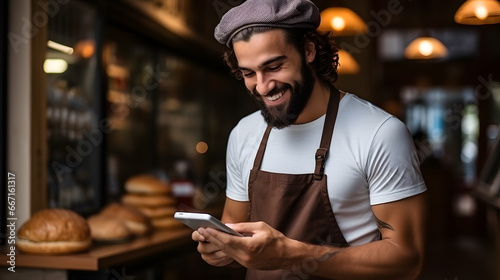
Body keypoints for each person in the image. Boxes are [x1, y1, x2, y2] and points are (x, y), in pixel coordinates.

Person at [192, 0, 427, 279]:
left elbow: (406, 259)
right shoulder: (244, 133)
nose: (264, 86)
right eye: (249, 73)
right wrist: (222, 250)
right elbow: (235, 232)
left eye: (275, 66)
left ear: (308, 50)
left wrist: (292, 255)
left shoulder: (380, 133)